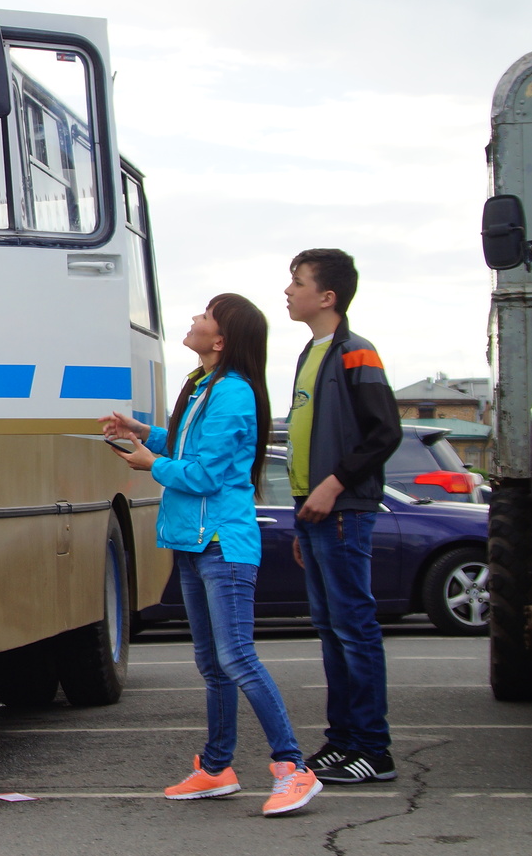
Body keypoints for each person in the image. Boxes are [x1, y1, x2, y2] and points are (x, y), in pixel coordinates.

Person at [102, 294, 321, 817]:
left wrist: (151, 462)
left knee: (236, 658)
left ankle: (294, 768)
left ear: (220, 340)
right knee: (213, 663)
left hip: (223, 542)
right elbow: (187, 449)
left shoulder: (233, 394)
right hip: (195, 541)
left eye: (204, 316)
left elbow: (205, 474)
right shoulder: (205, 386)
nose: (194, 320)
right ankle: (218, 767)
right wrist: (142, 433)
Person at [284, 248, 402, 784]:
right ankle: (342, 740)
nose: (288, 290)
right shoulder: (311, 351)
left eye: (297, 281)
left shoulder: (358, 352)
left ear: (326, 296)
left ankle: (374, 750)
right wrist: (303, 519)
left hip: (343, 511)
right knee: (332, 630)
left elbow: (385, 433)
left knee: (355, 630)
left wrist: (332, 487)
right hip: (315, 515)